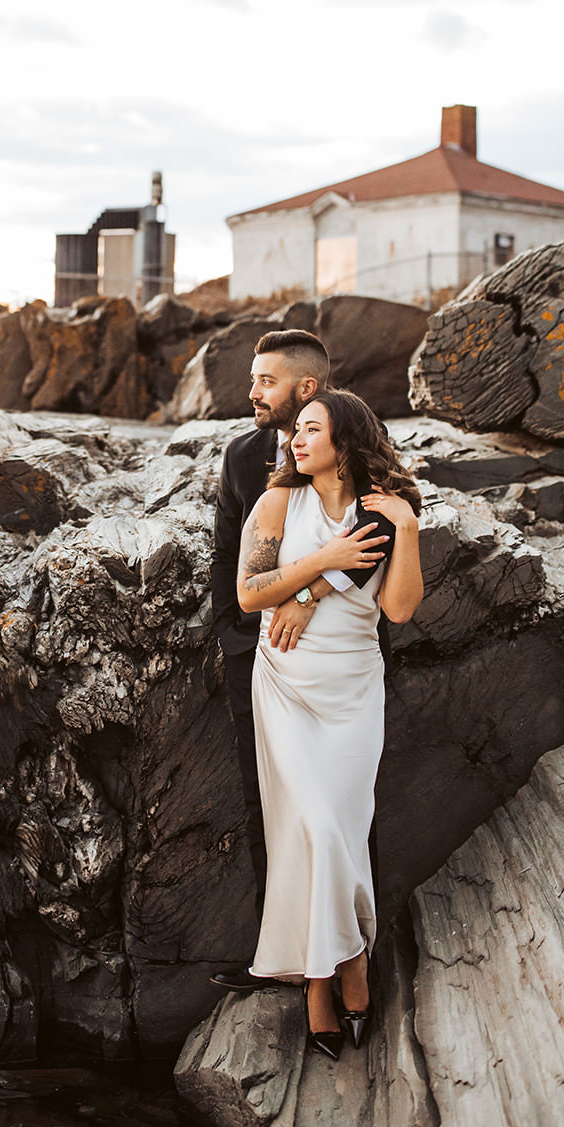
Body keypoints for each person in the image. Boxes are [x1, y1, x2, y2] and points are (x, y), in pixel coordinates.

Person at [236, 389, 423, 1058]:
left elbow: (398, 610)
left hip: (352, 688)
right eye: (294, 431)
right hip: (286, 681)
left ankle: (335, 966)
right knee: (311, 826)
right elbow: (250, 594)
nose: (294, 440)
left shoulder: (383, 512)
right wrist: (318, 566)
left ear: (345, 439)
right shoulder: (277, 503)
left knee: (338, 830)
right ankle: (335, 972)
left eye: (309, 429)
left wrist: (406, 529)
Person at [209, 329, 339, 993]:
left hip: (329, 661)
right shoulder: (240, 455)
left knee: (333, 807)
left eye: (265, 381)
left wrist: (312, 596)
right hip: (254, 660)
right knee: (268, 807)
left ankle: (345, 964)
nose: (251, 392)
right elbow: (223, 551)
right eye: (254, 380)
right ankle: (279, 958)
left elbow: (382, 533)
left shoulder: (353, 446)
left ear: (307, 387)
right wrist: (233, 643)